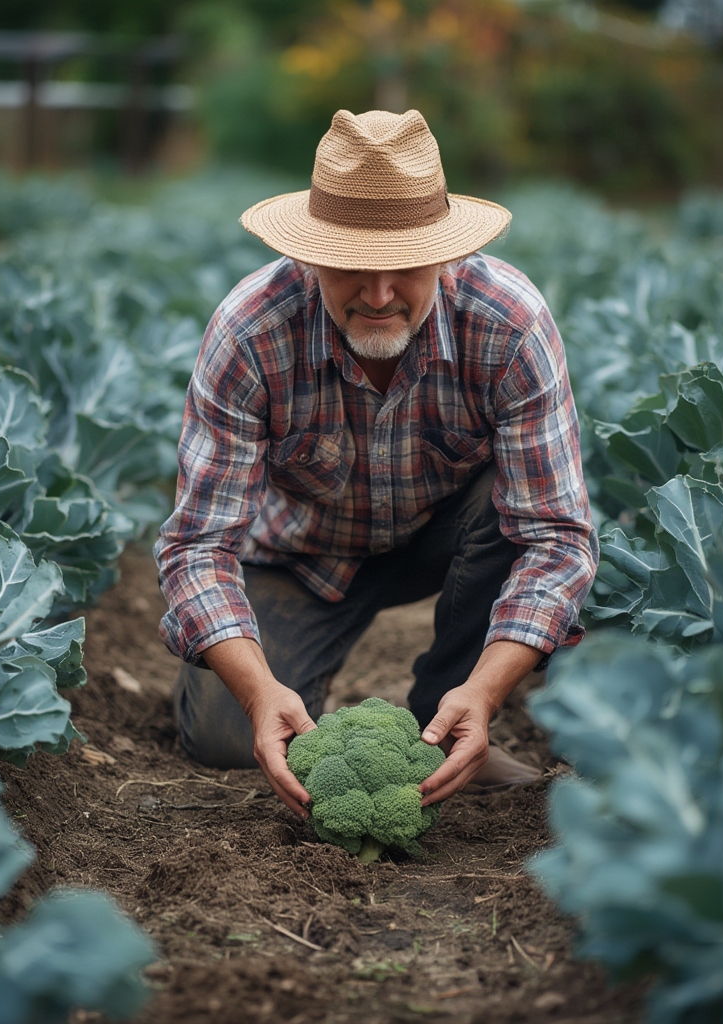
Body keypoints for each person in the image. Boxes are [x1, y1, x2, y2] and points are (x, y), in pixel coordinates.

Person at [154, 108, 599, 822]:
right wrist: (258, 691)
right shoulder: (250, 333)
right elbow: (197, 544)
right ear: (310, 255)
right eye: (353, 266)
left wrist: (485, 690)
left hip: (447, 539)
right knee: (227, 736)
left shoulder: (510, 324)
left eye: (407, 266)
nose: (381, 293)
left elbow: (557, 538)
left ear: (446, 254)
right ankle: (271, 693)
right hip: (302, 554)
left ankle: (451, 711)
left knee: (511, 507)